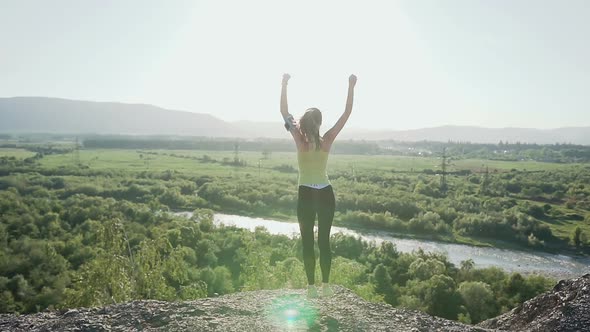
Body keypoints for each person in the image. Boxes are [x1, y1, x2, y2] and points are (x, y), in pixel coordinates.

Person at [280, 73, 357, 298]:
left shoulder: (300, 139)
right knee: (324, 241)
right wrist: (351, 86)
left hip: (306, 194)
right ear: (319, 123)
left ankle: (313, 288)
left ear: (305, 122)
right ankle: (324, 286)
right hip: (325, 193)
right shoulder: (327, 140)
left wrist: (283, 84)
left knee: (307, 242)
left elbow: (284, 112)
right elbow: (346, 114)